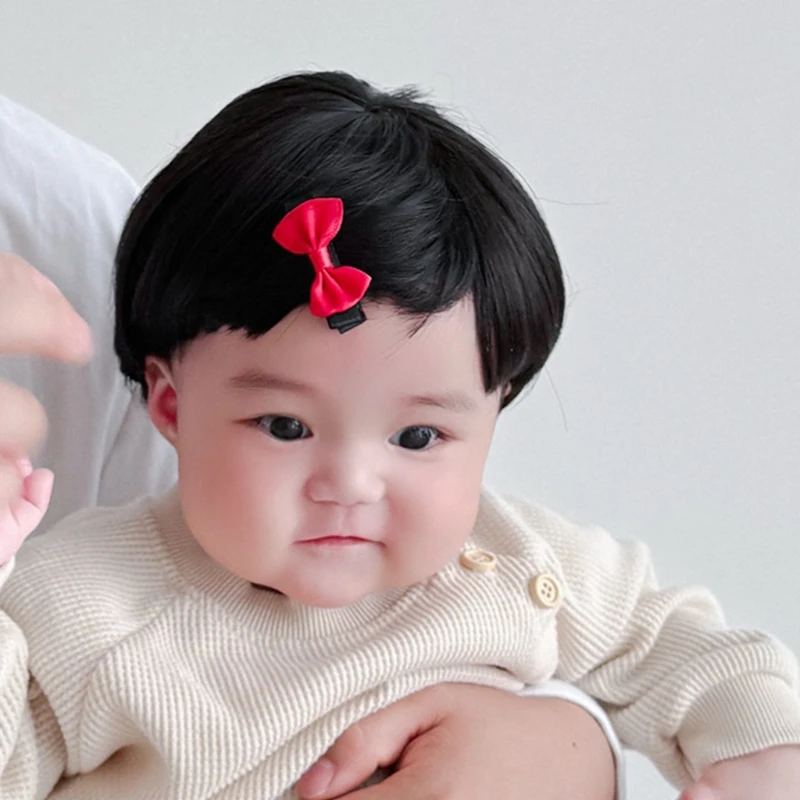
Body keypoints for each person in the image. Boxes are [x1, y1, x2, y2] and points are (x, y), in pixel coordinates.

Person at [2, 72, 799, 800]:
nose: (350, 482)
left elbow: (683, 645)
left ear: (495, 410)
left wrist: (765, 751)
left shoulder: (518, 560)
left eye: (418, 436)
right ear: (170, 407)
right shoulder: (79, 606)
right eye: (286, 426)